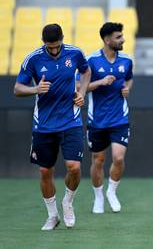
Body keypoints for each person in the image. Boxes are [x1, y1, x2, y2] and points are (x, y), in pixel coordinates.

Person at [14, 23, 91, 230]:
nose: (54, 50)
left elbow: (86, 72)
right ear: (43, 43)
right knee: (45, 171)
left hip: (71, 120)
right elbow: (17, 88)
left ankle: (68, 202)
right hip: (44, 124)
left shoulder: (75, 53)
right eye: (50, 47)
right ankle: (52, 215)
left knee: (74, 167)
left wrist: (82, 93)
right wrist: (35, 89)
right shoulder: (33, 58)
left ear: (62, 39)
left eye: (57, 46)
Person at [86, 22, 133, 213]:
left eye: (122, 36)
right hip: (97, 119)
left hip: (119, 118)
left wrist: (127, 88)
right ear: (107, 40)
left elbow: (129, 78)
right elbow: (80, 88)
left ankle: (111, 192)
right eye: (119, 37)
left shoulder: (127, 60)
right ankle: (98, 197)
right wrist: (100, 82)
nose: (123, 40)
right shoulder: (91, 61)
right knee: (98, 160)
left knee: (119, 158)